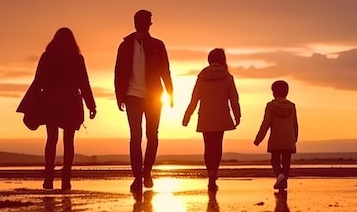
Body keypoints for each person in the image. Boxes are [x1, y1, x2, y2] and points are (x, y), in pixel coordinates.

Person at [17, 27, 96, 190]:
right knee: (69, 142)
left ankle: (48, 178)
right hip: (71, 104)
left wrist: (31, 104)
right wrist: (91, 105)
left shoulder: (47, 57)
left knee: (51, 139)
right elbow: (84, 83)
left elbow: (38, 81)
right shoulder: (77, 58)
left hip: (50, 103)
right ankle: (66, 179)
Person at [114, 10, 174, 192]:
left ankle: (146, 172)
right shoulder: (125, 45)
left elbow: (165, 69)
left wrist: (170, 93)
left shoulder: (157, 45)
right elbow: (118, 72)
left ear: (149, 24)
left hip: (154, 95)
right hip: (132, 96)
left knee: (152, 136)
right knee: (136, 137)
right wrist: (120, 95)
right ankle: (138, 177)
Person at [182, 48, 241, 190]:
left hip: (205, 116)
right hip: (221, 116)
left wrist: (187, 115)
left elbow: (194, 99)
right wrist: (237, 115)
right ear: (222, 60)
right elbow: (234, 99)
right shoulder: (227, 77)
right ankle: (214, 170)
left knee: (208, 146)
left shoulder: (202, 77)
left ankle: (210, 172)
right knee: (218, 145)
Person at [253, 80, 298, 190]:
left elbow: (266, 123)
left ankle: (280, 176)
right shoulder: (292, 106)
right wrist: (294, 138)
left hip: (275, 140)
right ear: (287, 92)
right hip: (289, 139)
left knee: (275, 161)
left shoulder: (270, 106)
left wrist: (258, 139)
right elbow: (295, 124)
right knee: (286, 162)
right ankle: (283, 180)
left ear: (273, 92)